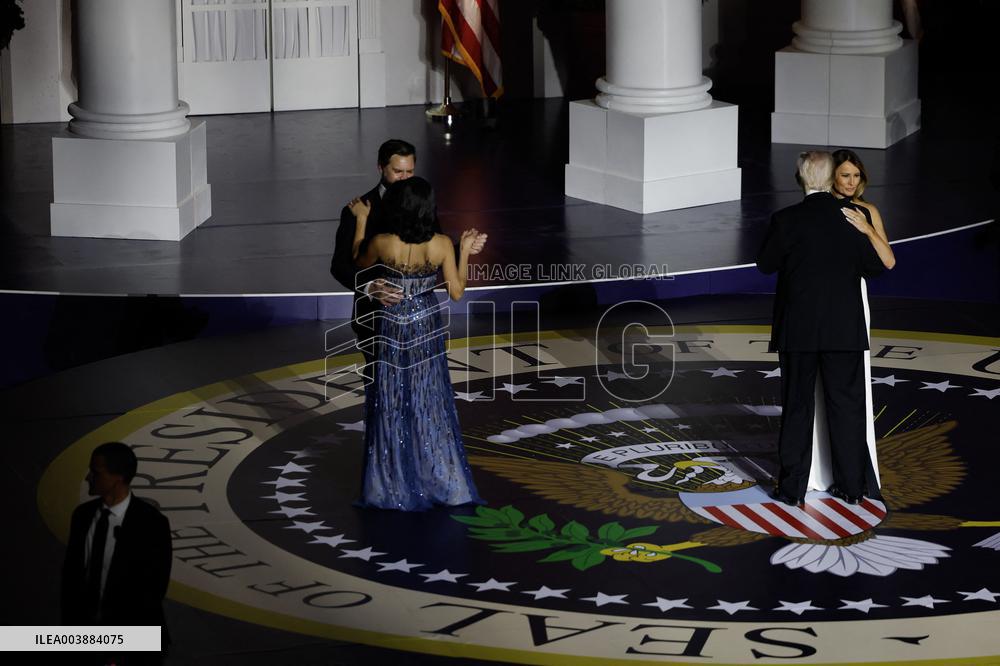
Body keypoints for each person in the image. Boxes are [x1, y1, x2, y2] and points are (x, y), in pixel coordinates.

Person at [757, 151, 886, 506]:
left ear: (800, 179)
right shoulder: (854, 217)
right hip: (844, 329)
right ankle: (852, 488)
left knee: (797, 406)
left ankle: (792, 489)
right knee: (846, 406)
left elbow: (765, 265)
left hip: (797, 329)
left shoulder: (785, 219)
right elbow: (876, 267)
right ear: (832, 180)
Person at [348, 176, 485, 510]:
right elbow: (456, 293)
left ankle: (389, 486)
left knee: (392, 397)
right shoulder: (440, 244)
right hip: (425, 321)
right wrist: (464, 252)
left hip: (393, 321)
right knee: (428, 399)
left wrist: (362, 220)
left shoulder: (382, 242)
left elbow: (357, 259)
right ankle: (440, 479)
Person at [331, 139, 485, 379]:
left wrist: (461, 249)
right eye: (397, 171)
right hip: (374, 317)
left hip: (422, 321)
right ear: (380, 167)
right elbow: (340, 266)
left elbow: (430, 247)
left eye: (409, 172)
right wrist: (370, 287)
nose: (404, 178)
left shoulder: (421, 205)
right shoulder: (358, 209)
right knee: (381, 386)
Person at [803, 149, 896, 496]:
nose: (851, 182)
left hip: (853, 301)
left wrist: (868, 229)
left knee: (848, 389)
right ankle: (818, 469)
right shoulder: (820, 210)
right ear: (831, 178)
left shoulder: (868, 210)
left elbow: (888, 260)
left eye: (856, 176)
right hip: (822, 301)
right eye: (844, 175)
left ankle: (852, 468)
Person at [62, 442, 172, 663]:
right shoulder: (82, 516)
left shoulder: (152, 524)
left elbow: (152, 591)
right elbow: (71, 578)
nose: (88, 477)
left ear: (118, 476)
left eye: (96, 472)